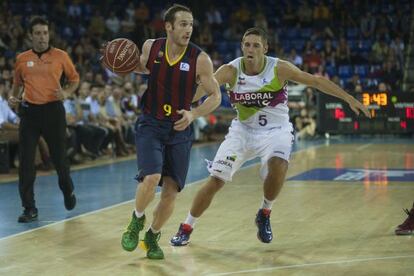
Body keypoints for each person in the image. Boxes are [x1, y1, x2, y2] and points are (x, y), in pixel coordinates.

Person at [170, 27, 371, 246]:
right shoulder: (230, 70)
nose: (250, 49)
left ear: (265, 48)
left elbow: (315, 81)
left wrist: (348, 98)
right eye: (247, 44)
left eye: (256, 45)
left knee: (278, 165)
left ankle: (265, 212)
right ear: (241, 47)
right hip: (243, 131)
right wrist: (175, 104)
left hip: (276, 130)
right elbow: (200, 90)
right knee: (215, 181)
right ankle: (187, 226)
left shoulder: (279, 68)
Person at [109, 4, 221, 260]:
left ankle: (152, 235)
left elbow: (215, 96)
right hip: (151, 122)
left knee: (171, 192)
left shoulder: (200, 59)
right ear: (168, 26)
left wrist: (194, 114)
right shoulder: (152, 47)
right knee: (151, 177)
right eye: (183, 24)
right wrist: (119, 64)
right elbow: (140, 67)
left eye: (191, 24)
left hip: (179, 129)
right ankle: (136, 221)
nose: (188, 29)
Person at [8, 16, 79, 223]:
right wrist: (14, 96)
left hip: (53, 112)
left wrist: (66, 92)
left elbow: (74, 79)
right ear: (31, 36)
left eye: (45, 33)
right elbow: (17, 82)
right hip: (30, 114)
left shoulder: (61, 56)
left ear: (49, 34)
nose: (42, 37)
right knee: (26, 163)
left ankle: (67, 190)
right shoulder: (22, 58)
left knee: (60, 160)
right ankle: (29, 208)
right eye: (37, 33)